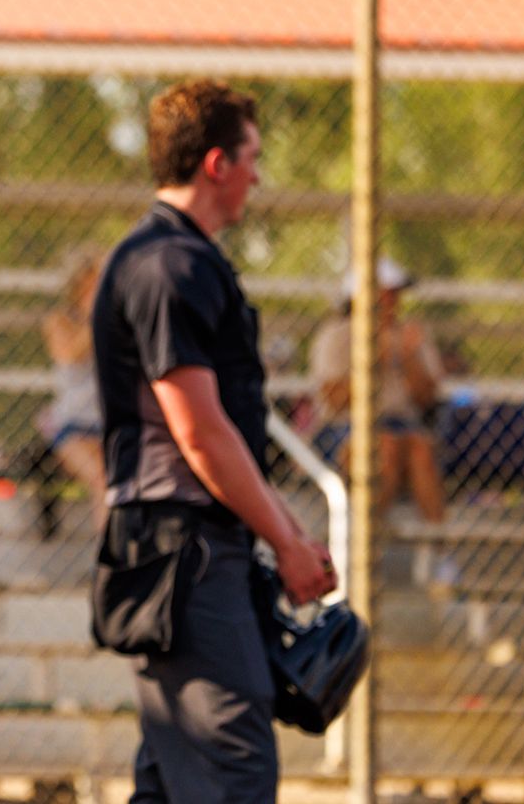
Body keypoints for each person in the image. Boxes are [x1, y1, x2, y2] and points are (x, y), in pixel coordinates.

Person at [92, 79, 337, 803]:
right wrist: (287, 543)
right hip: (182, 548)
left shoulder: (175, 256)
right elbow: (198, 429)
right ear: (217, 164)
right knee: (232, 771)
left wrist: (283, 534)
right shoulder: (170, 263)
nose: (260, 175)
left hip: (188, 544)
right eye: (252, 156)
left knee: (173, 784)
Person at [308, 257, 448, 527]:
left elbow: (427, 400)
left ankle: (437, 554)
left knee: (420, 450)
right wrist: (372, 359)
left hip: (403, 425)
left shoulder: (409, 335)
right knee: (384, 447)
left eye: (395, 294)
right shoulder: (337, 335)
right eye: (386, 294)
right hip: (345, 428)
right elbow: (334, 402)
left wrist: (408, 357)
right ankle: (365, 543)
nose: (394, 301)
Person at [36, 251, 108, 529]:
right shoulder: (60, 321)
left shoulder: (115, 324)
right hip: (72, 427)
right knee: (102, 475)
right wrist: (96, 315)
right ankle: (110, 560)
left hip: (110, 425)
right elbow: (69, 354)